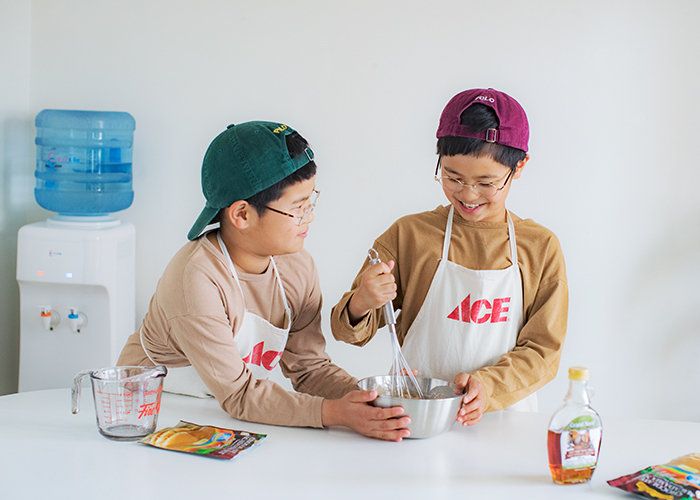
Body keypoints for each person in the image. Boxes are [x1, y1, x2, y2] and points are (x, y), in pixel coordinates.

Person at [118, 121, 410, 441]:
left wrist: (375, 400)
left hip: (229, 412)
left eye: (310, 202)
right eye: (297, 208)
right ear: (241, 214)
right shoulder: (197, 279)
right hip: (151, 411)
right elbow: (239, 394)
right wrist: (334, 413)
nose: (310, 216)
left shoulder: (297, 267)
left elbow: (309, 369)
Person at [331, 88, 568, 425]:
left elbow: (544, 351)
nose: (468, 195)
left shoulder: (540, 247)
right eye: (453, 177)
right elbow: (346, 331)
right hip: (416, 416)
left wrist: (489, 386)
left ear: (519, 167)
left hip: (505, 423)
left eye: (486, 183)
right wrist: (362, 301)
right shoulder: (410, 235)